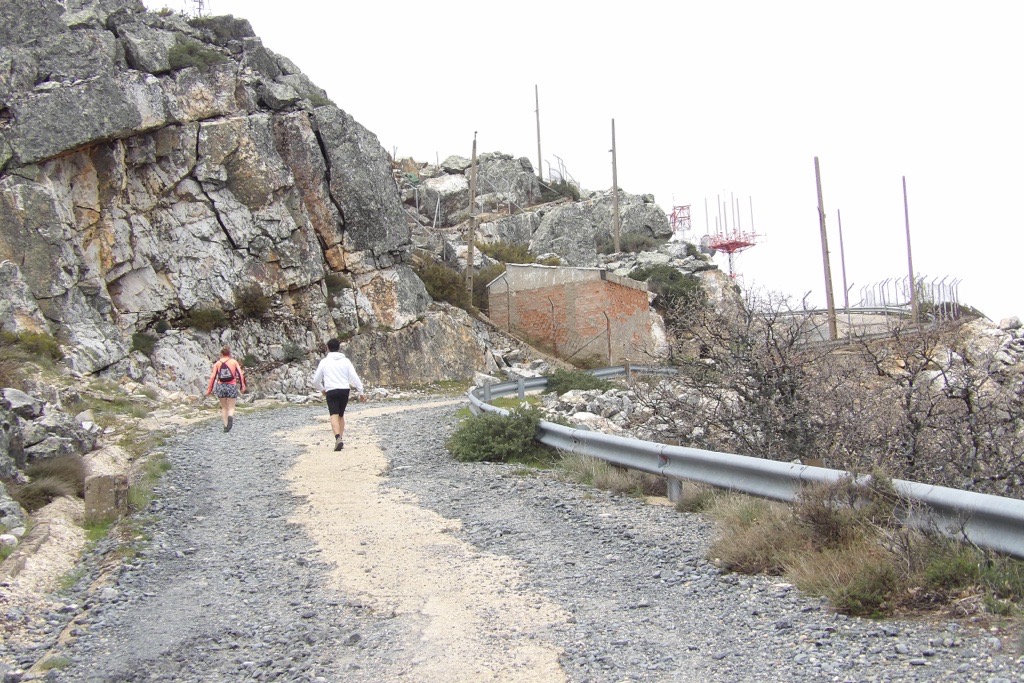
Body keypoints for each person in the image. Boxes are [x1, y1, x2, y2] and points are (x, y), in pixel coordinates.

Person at [311, 338, 366, 451]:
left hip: (331, 390)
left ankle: (337, 438)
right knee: (341, 415)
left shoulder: (324, 362)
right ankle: (340, 438)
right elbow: (354, 377)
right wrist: (361, 392)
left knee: (333, 414)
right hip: (344, 390)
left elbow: (316, 381)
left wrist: (322, 389)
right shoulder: (346, 361)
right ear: (339, 348)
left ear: (327, 348)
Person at [205, 345, 246, 432]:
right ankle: (230, 417)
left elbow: (213, 377)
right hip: (231, 386)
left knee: (224, 407)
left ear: (221, 353)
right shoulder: (234, 362)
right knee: (231, 407)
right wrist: (243, 386)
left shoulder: (217, 363)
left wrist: (209, 389)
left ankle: (225, 426)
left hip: (221, 386)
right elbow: (240, 375)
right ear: (229, 353)